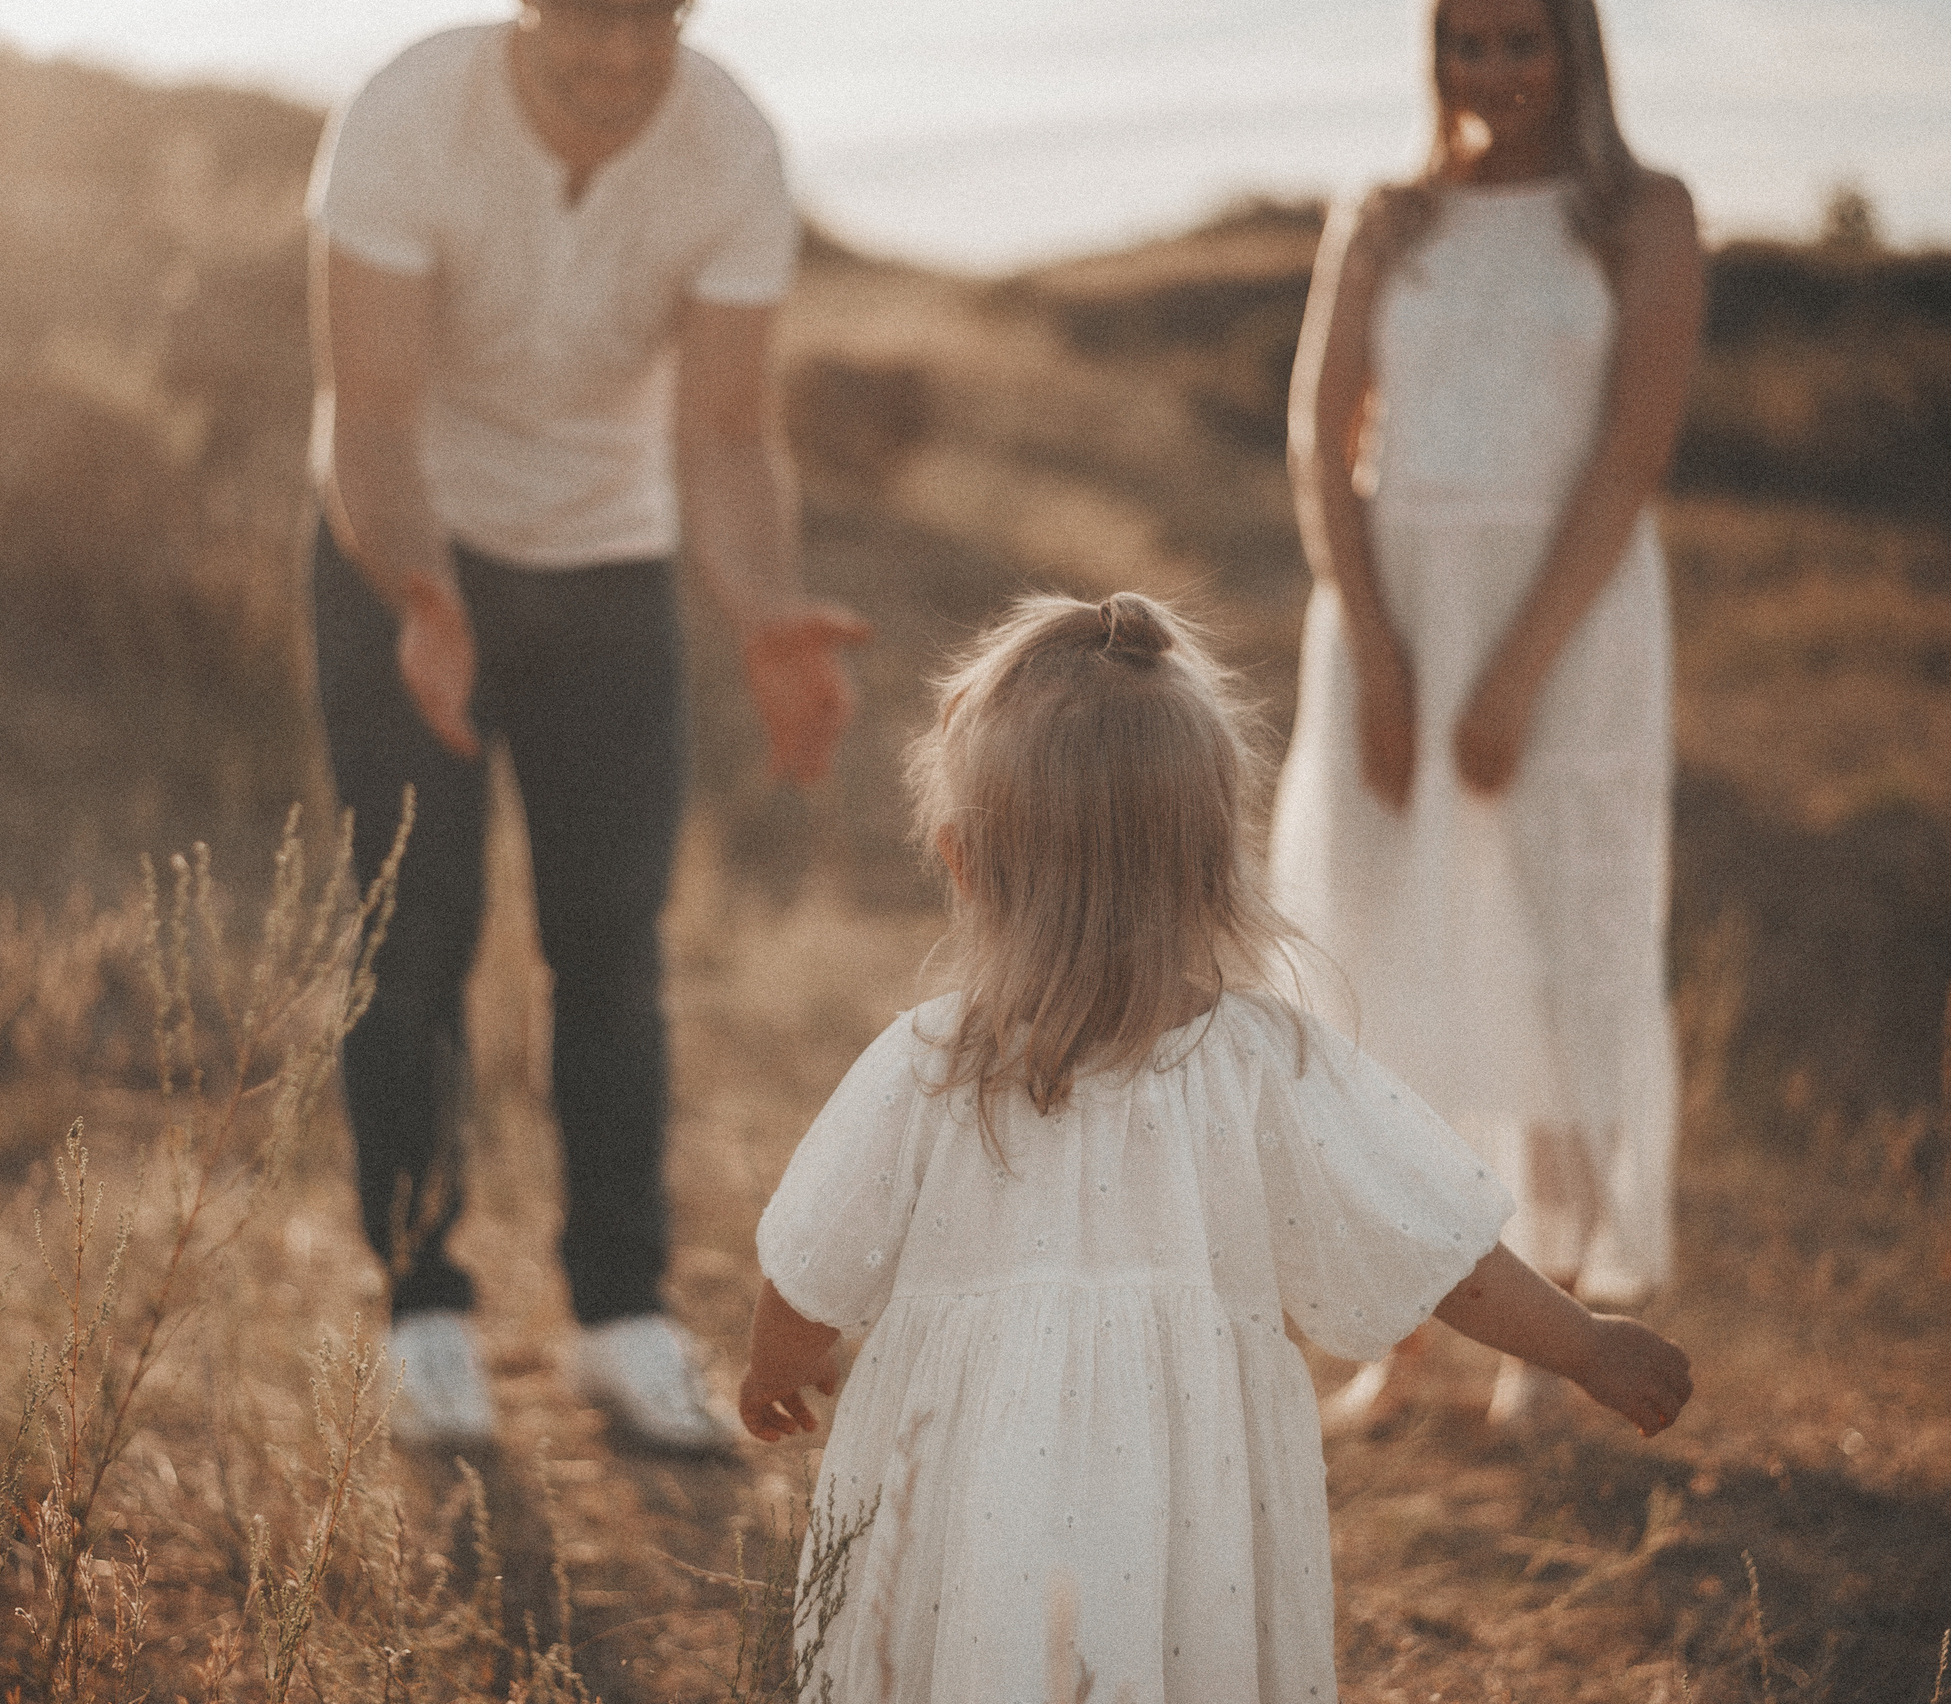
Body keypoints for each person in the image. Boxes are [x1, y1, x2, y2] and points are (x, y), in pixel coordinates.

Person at [736, 593, 1693, 1700]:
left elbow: (810, 1264)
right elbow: (1439, 1249)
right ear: (1212, 869)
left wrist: (776, 1366)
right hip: (1182, 1495)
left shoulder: (929, 1063)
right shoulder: (1266, 1065)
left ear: (960, 862)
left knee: (978, 1655)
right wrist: (1578, 1343)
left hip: (968, 1482)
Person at [306, 0, 870, 1452]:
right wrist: (423, 600)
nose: (620, 65)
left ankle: (619, 1317)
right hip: (410, 550)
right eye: (585, 32)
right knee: (415, 932)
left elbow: (728, 437)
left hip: (612, 563)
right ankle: (423, 1310)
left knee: (610, 944)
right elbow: (367, 409)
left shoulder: (733, 146)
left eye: (652, 29)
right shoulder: (406, 116)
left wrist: (764, 614)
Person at [1268, 0, 1705, 1428]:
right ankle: (1395, 1318)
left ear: (1575, 50)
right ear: (1435, 54)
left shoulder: (1642, 216)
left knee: (1551, 940)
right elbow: (1321, 442)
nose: (1495, 69)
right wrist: (1386, 661)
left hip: (1568, 616)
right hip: (1394, 605)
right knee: (1389, 950)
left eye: (1524, 41)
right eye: (1469, 41)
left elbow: (1632, 452)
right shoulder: (1386, 218)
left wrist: (1515, 669)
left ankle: (1552, 1327)